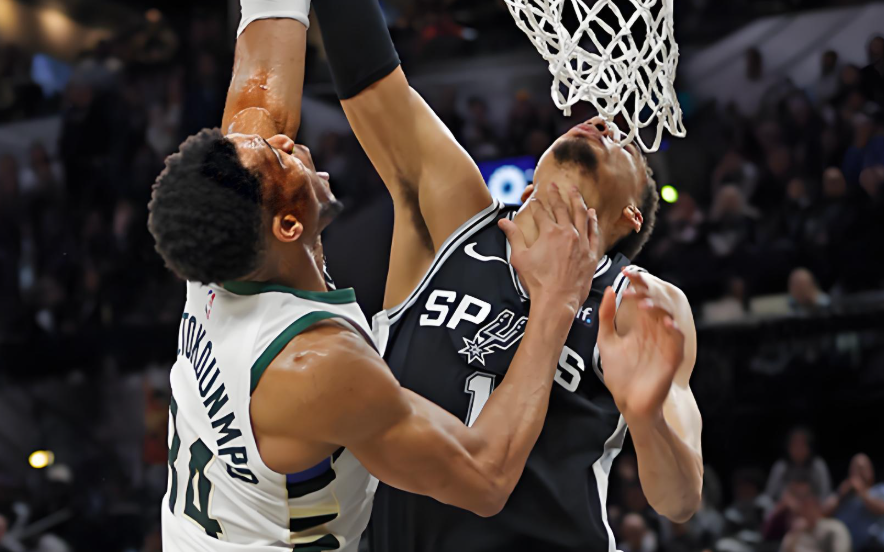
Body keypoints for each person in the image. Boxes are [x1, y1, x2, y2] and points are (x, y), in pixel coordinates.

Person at [149, 6, 686, 552]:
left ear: (633, 216)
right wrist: (555, 301)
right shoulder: (319, 361)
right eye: (278, 159)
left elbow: (263, 90)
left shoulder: (227, 235)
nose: (285, 141)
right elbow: (485, 475)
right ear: (287, 226)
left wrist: (649, 423)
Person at [305, 1, 705, 550]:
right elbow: (373, 83)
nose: (602, 123)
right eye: (596, 120)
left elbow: (679, 500)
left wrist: (648, 418)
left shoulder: (636, 299)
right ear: (533, 177)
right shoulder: (456, 222)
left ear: (631, 215)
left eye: (626, 145)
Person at [823, 453, 884, 551]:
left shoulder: (879, 490)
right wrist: (840, 495)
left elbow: (881, 509)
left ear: (871, 471)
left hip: (872, 544)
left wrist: (862, 492)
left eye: (862, 468)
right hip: (844, 544)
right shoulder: (843, 495)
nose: (859, 473)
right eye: (855, 469)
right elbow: (823, 513)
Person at [777, 477, 851, 552]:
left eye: (803, 497)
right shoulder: (793, 535)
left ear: (815, 501)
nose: (798, 504)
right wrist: (793, 537)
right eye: (797, 497)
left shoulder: (834, 529)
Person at [766, 428, 832, 501]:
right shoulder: (781, 466)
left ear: (809, 447)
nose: (798, 450)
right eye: (795, 445)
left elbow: (826, 493)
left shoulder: (818, 465)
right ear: (788, 447)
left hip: (812, 503)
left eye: (802, 445)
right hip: (786, 504)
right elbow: (770, 494)